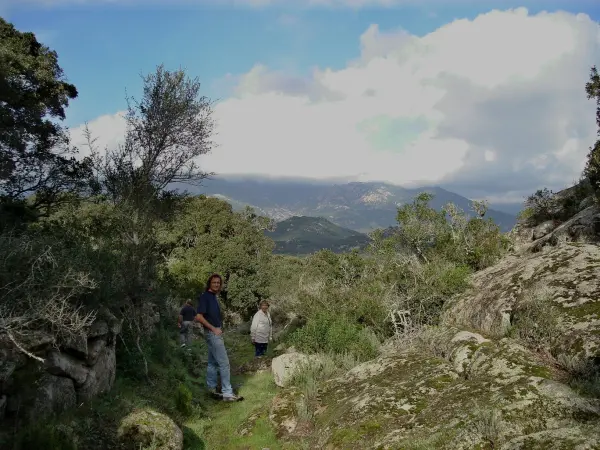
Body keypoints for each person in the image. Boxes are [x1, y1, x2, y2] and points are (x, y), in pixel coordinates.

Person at [195, 273, 241, 402]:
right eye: (214, 282)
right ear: (209, 283)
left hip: (213, 334)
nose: (216, 284)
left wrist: (218, 327)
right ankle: (227, 392)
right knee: (224, 363)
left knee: (212, 363)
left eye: (218, 283)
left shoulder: (213, 297)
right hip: (212, 334)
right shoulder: (205, 297)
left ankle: (211, 388)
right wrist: (214, 328)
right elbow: (198, 316)